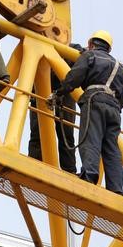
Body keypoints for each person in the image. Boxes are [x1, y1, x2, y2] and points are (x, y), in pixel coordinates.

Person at [52, 30, 123, 194]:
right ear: (108, 48)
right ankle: (116, 188)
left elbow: (74, 78)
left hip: (95, 102)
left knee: (91, 139)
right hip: (114, 109)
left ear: (92, 44)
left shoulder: (90, 56)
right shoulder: (119, 67)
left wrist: (59, 93)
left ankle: (89, 176)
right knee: (111, 148)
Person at [27, 43, 84, 174]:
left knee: (66, 136)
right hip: (42, 96)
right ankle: (34, 165)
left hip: (63, 99)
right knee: (37, 133)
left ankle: (69, 171)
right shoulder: (37, 47)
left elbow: (79, 56)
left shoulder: (71, 49)